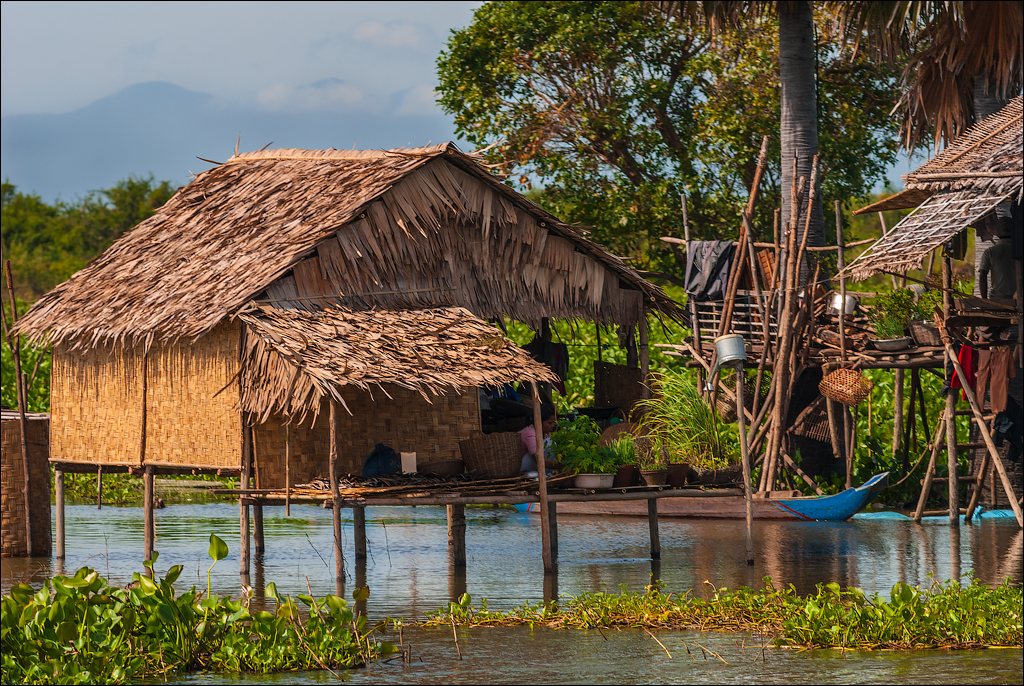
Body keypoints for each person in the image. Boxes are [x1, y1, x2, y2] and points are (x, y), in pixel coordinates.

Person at [978, 213, 1015, 301]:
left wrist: (984, 299)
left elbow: (983, 276)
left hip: (997, 299)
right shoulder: (1019, 251)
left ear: (997, 232)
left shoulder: (990, 252)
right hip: (1019, 299)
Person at [520, 404, 559, 474]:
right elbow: (538, 459)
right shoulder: (530, 433)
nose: (553, 426)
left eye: (554, 423)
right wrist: (560, 465)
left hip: (532, 467)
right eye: (549, 423)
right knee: (549, 443)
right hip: (521, 466)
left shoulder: (545, 433)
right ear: (539, 422)